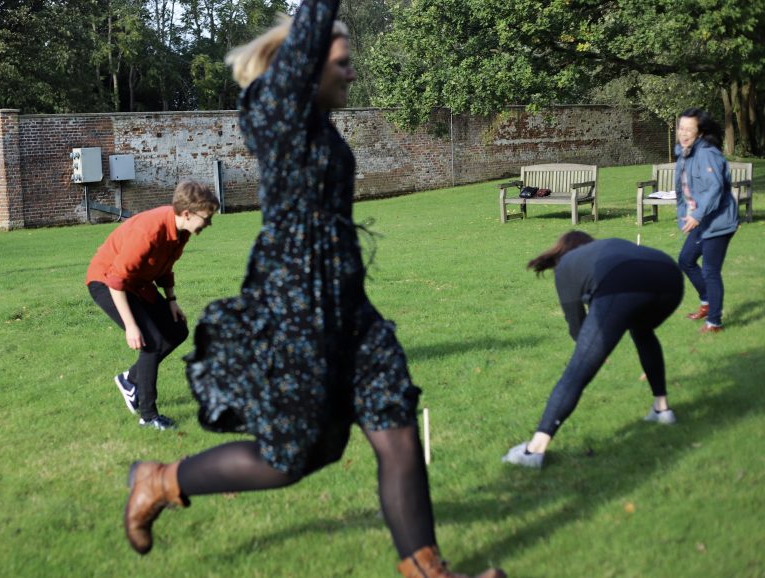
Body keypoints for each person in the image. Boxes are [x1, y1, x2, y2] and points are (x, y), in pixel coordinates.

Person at [119, 3, 505, 577]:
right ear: (302, 64)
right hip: (297, 307)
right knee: (296, 456)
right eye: (342, 62)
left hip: (350, 306)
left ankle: (427, 570)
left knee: (395, 425)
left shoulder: (320, 126)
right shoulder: (274, 111)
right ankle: (162, 479)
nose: (352, 73)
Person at [502, 232, 684, 470]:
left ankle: (533, 450)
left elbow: (576, 323)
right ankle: (662, 409)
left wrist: (594, 348)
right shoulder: (607, 247)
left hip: (624, 282)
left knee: (577, 371)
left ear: (562, 250)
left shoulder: (566, 264)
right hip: (670, 276)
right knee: (642, 329)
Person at [85, 180, 218, 431]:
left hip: (138, 283)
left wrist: (172, 301)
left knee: (177, 330)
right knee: (151, 342)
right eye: (206, 217)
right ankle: (148, 415)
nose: (208, 223)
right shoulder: (149, 231)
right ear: (187, 214)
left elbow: (165, 267)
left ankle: (130, 379)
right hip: (107, 282)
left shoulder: (182, 232)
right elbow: (116, 280)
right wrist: (131, 326)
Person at [674, 108, 739, 334]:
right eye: (681, 128)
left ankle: (714, 322)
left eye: (689, 129)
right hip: (702, 219)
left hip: (719, 221)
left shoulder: (707, 154)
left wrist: (697, 215)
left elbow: (715, 188)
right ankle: (706, 301)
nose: (683, 133)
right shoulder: (684, 153)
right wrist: (684, 213)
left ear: (700, 133)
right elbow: (683, 189)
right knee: (686, 260)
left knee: (711, 270)